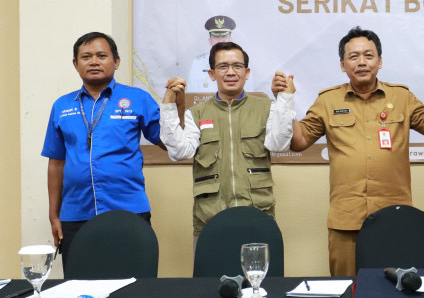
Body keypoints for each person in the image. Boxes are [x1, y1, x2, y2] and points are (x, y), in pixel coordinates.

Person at [283, 26, 424, 276]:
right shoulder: (327, 100)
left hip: (394, 215)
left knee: (395, 288)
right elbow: (298, 141)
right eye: (353, 56)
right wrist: (286, 101)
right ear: (342, 64)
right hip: (346, 219)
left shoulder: (401, 97)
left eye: (368, 55)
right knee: (347, 287)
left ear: (380, 61)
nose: (361, 62)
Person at [42, 32, 163, 269]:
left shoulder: (138, 99)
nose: (94, 62)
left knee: (135, 283)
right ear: (76, 64)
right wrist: (54, 215)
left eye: (101, 55)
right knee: (79, 284)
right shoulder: (62, 106)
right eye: (86, 57)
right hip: (76, 214)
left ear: (116, 61)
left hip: (129, 210)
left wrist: (174, 106)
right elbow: (56, 163)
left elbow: (168, 142)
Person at [160, 42, 295, 240]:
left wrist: (285, 99)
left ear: (246, 73)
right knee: (210, 262)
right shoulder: (196, 113)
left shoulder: (266, 108)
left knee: (259, 262)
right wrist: (168, 106)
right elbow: (179, 152)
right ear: (212, 74)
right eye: (223, 66)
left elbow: (279, 144)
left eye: (237, 66)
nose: (231, 72)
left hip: (258, 218)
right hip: (210, 221)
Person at [186, 15, 255, 93]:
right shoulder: (198, 63)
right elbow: (191, 94)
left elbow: (249, 94)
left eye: (224, 36)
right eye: (216, 37)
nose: (220, 40)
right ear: (210, 41)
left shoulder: (242, 61)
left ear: (231, 39)